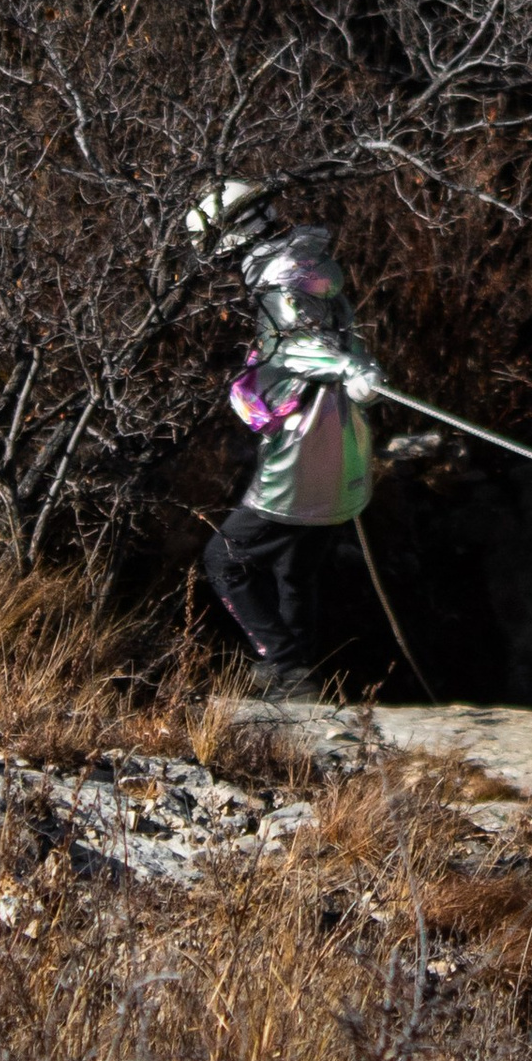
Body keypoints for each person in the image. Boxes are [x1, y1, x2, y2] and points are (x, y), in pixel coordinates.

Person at [195, 199, 382, 696]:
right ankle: (294, 669)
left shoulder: (278, 282)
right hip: (343, 445)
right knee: (294, 567)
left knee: (225, 559)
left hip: (303, 451)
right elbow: (340, 345)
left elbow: (296, 346)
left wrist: (346, 369)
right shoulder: (314, 272)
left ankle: (287, 667)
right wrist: (356, 369)